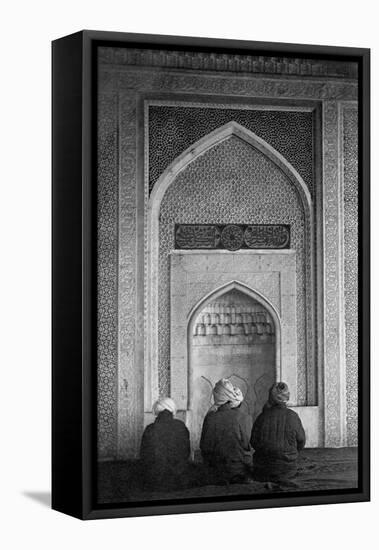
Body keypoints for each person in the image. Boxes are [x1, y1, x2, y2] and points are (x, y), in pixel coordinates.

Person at [200, 378, 253, 484]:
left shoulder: (210, 418)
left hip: (215, 472)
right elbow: (248, 445)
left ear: (217, 397)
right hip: (239, 471)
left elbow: (204, 447)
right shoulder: (243, 417)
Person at [251, 382, 306, 483]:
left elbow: (253, 442)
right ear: (287, 397)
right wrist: (291, 452)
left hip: (263, 471)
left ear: (270, 398)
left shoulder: (262, 417)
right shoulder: (293, 416)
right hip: (288, 470)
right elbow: (301, 441)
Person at [140, 397, 191, 491]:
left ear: (156, 412)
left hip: (155, 481)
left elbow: (144, 456)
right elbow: (186, 453)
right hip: (178, 480)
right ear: (172, 410)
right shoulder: (181, 426)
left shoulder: (150, 429)